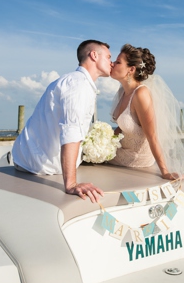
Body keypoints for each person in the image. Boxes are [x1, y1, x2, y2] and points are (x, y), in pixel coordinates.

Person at [12, 39, 113, 203]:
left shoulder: (78, 82)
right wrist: (71, 184)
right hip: (37, 167)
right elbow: (71, 131)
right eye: (108, 57)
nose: (112, 62)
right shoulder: (78, 85)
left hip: (37, 162)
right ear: (94, 55)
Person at [108, 44, 184, 181]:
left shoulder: (141, 94)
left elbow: (153, 136)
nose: (112, 64)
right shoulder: (123, 92)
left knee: (85, 157)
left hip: (136, 158)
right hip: (122, 150)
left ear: (131, 69)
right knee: (88, 151)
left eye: (118, 62)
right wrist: (103, 142)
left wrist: (165, 172)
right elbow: (122, 127)